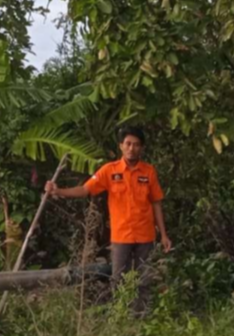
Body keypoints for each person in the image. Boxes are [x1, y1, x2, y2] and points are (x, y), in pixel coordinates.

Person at [45, 126, 171, 307]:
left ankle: (142, 317)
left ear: (141, 148)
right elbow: (85, 189)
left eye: (136, 145)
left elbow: (156, 203)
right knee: (118, 278)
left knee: (143, 279)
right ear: (121, 146)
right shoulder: (109, 171)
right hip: (121, 236)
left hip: (145, 235)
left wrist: (164, 235)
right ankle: (121, 316)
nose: (131, 148)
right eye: (127, 144)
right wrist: (58, 191)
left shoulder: (148, 172)